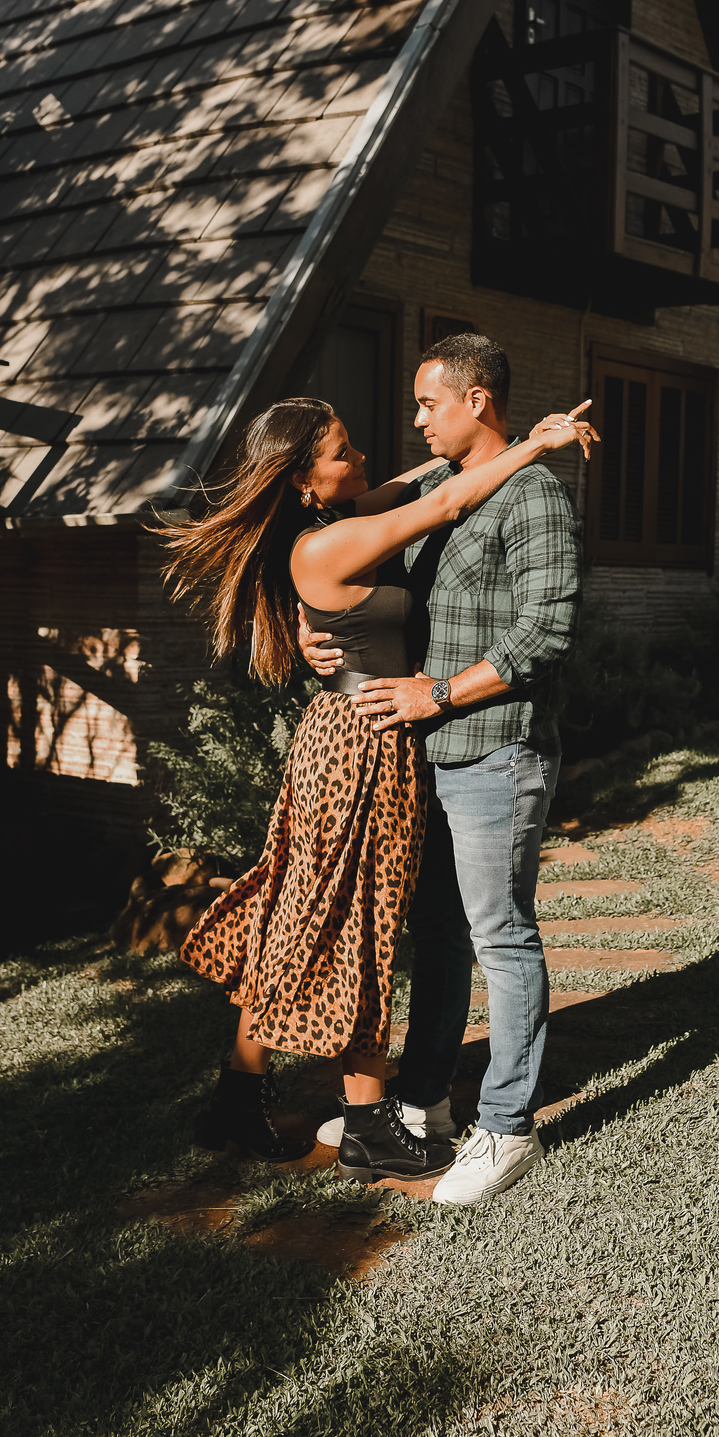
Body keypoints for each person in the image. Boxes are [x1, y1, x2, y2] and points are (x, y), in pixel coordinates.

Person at [162, 393, 595, 1184]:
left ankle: (237, 1093)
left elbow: (420, 479)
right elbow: (447, 499)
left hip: (349, 738)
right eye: (341, 451)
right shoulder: (328, 544)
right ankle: (366, 1124)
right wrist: (536, 445)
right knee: (354, 920)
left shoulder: (332, 521)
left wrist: (473, 445)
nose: (359, 458)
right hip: (361, 746)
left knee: (299, 912)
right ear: (302, 479)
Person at [300, 333, 587, 1205]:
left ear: (478, 402)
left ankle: (506, 1126)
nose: (416, 417)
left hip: (496, 746)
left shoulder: (536, 498)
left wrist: (437, 695)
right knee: (437, 933)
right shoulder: (435, 484)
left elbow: (545, 635)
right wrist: (328, 647)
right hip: (423, 758)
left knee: (501, 934)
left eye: (430, 402)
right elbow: (364, 571)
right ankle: (424, 1102)